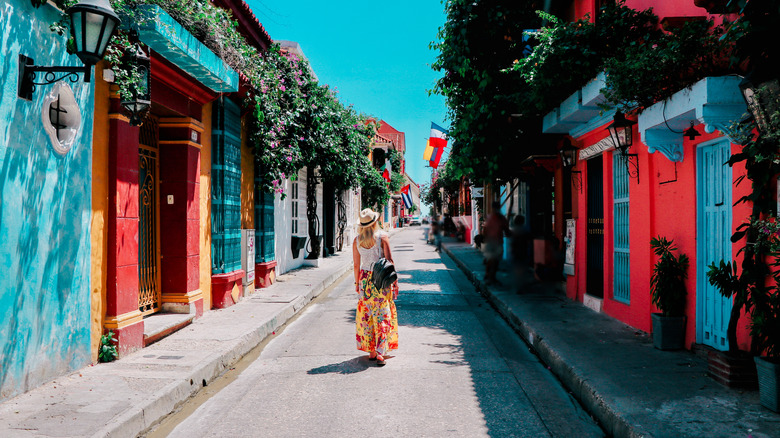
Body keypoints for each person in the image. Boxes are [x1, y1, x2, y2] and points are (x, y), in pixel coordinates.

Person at [352, 208, 399, 366]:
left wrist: (357, 284)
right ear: (375, 222)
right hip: (381, 280)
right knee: (382, 315)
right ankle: (380, 352)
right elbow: (389, 261)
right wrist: (395, 283)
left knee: (367, 315)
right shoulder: (382, 237)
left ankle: (372, 351)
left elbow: (356, 265)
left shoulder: (357, 240)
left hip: (365, 280)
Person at [481, 201, 510, 285]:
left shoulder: (490, 217)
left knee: (491, 260)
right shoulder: (499, 218)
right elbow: (506, 231)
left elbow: (485, 230)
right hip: (495, 242)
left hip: (491, 241)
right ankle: (490, 276)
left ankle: (489, 276)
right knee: (494, 260)